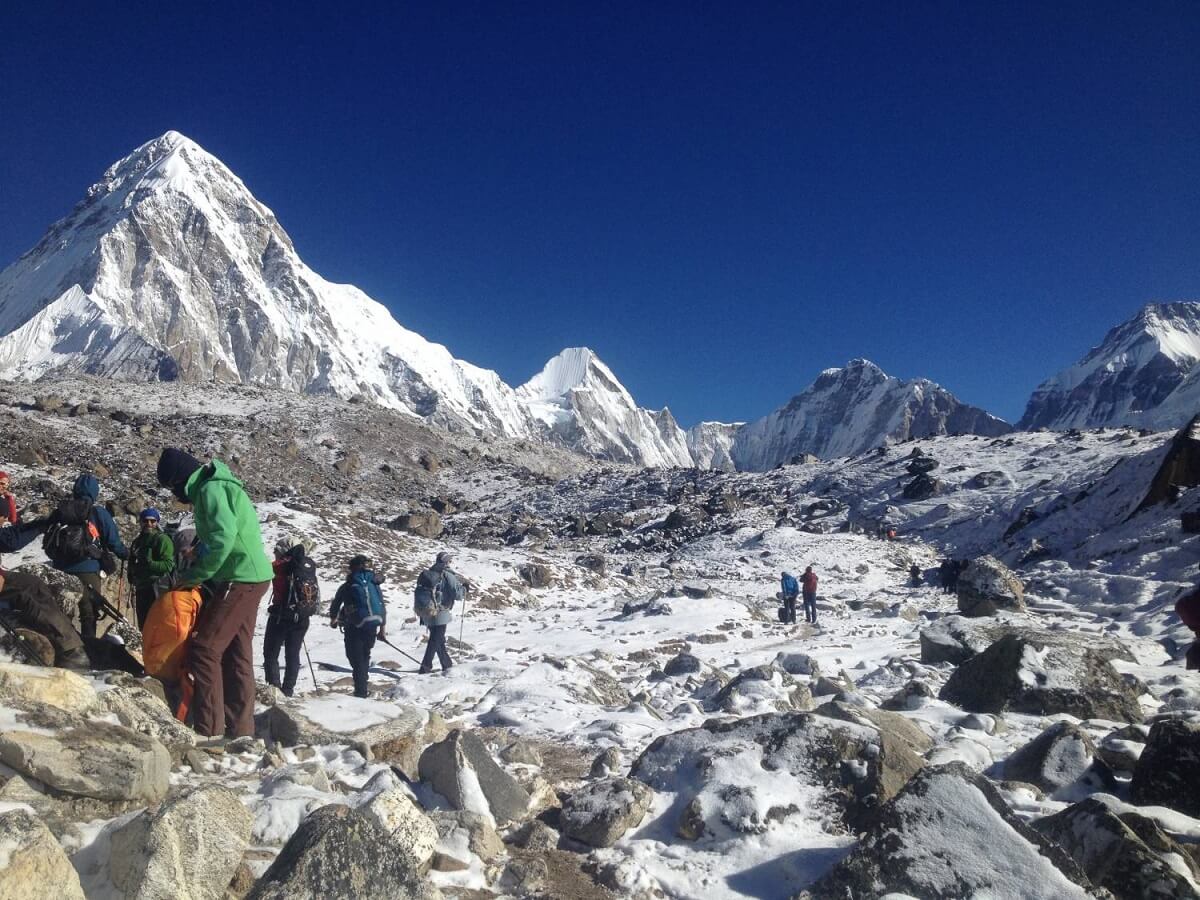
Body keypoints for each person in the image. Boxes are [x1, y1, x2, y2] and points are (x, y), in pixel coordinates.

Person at [156, 448, 272, 740]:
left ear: (181, 479)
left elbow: (223, 538)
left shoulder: (210, 490)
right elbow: (223, 535)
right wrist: (198, 551)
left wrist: (192, 577)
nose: (175, 495)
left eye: (172, 488)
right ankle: (241, 730)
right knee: (236, 653)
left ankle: (210, 733)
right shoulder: (218, 485)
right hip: (254, 576)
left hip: (239, 576)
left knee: (205, 649)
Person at [44, 473, 128, 640]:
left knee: (63, 610)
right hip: (88, 568)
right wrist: (124, 553)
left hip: (61, 568)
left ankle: (62, 647)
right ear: (94, 492)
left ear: (75, 490)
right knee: (88, 612)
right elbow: (113, 542)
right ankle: (89, 648)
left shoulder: (62, 510)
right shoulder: (98, 513)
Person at [264, 537, 318, 697]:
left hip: (281, 615)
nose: (274, 553)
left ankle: (274, 688)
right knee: (293, 654)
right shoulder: (307, 565)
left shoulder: (280, 565)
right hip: (302, 616)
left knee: (270, 653)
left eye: (276, 551)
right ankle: (288, 690)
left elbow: (263, 571)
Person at [329, 555, 385, 698]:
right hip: (373, 624)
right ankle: (362, 685)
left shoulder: (348, 585)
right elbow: (381, 605)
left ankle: (361, 691)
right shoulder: (374, 583)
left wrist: (333, 620)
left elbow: (336, 603)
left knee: (355, 657)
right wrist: (382, 629)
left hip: (354, 625)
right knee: (364, 655)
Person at [414, 551, 462, 674]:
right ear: (447, 561)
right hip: (440, 611)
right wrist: (464, 589)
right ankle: (425, 667)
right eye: (449, 560)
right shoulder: (447, 574)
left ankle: (447, 664)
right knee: (436, 639)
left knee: (438, 638)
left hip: (427, 610)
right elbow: (457, 594)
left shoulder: (430, 573)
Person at [127, 508, 175, 629]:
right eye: (145, 521)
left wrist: (150, 563)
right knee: (143, 624)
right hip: (141, 587)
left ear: (157, 522)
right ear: (141, 522)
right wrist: (131, 573)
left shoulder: (162, 540)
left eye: (152, 521)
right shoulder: (137, 542)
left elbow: (168, 566)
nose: (149, 524)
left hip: (158, 587)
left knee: (158, 624)